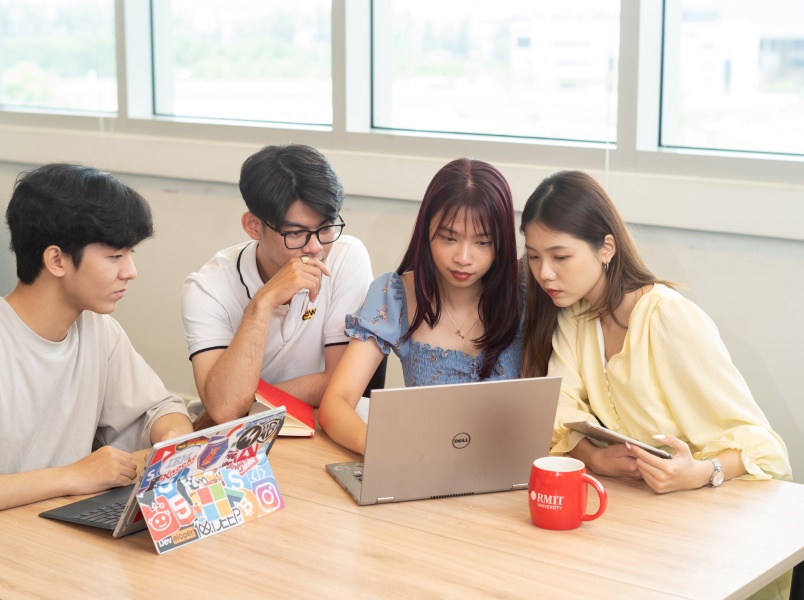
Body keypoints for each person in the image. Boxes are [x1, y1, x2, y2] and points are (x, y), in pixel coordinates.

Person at [0, 163, 193, 527]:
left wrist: (174, 439)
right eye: (115, 256)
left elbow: (156, 409)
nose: (130, 271)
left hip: (56, 529)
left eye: (130, 254)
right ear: (56, 260)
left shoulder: (99, 329)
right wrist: (70, 476)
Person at [521, 170, 791, 491]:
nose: (545, 273)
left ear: (607, 247)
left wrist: (702, 471)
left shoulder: (668, 317)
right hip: (641, 501)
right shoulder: (575, 316)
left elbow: (765, 445)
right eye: (534, 257)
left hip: (714, 503)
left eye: (560, 256)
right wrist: (593, 457)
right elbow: (558, 407)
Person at [319, 158, 522, 454]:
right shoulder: (396, 294)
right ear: (427, 232)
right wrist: (383, 451)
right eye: (449, 238)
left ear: (502, 243)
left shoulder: (526, 294)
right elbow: (335, 404)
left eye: (482, 242)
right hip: (425, 463)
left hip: (513, 468)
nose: (463, 257)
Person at [181, 144, 373, 428]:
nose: (316, 247)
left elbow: (341, 381)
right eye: (295, 233)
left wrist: (250, 404)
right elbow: (225, 408)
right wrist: (263, 302)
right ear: (253, 226)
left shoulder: (346, 256)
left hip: (323, 421)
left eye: (326, 228)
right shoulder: (207, 288)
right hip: (241, 436)